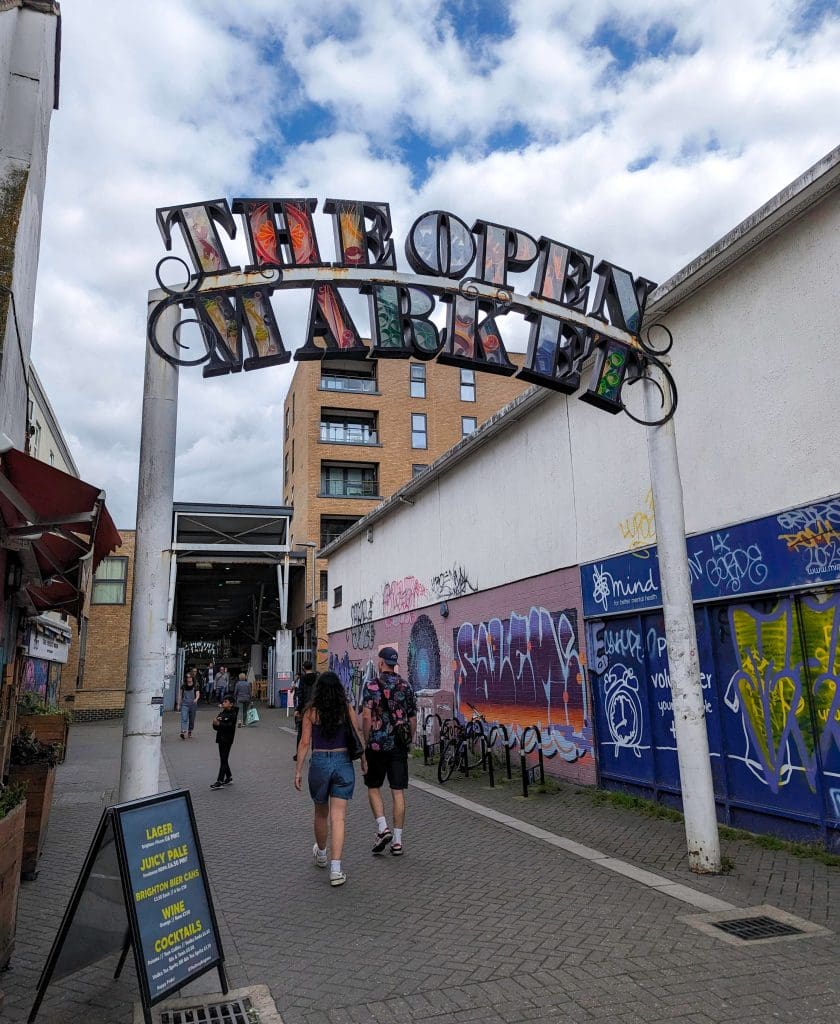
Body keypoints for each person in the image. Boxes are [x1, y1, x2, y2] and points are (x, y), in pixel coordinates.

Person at [294, 671, 366, 887]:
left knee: (320, 812)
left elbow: (305, 743)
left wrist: (298, 770)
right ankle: (336, 869)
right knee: (339, 817)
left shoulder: (311, 712)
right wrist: (363, 759)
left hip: (319, 764)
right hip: (343, 762)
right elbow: (357, 733)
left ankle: (322, 854)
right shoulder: (346, 709)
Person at [362, 646, 417, 858]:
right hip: (398, 746)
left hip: (376, 745)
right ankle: (397, 841)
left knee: (373, 786)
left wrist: (366, 742)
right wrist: (408, 740)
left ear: (382, 662)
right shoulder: (406, 686)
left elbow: (366, 717)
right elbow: (412, 718)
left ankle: (382, 826)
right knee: (398, 791)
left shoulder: (372, 686)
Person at [211, 694, 238, 789]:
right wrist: (215, 724)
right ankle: (229, 777)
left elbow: (230, 727)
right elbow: (216, 727)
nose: (223, 703)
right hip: (220, 739)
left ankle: (220, 781)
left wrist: (220, 724)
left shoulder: (233, 715)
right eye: (223, 701)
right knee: (223, 759)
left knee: (223, 760)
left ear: (231, 704)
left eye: (226, 702)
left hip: (227, 739)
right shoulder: (222, 713)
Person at [294, 660, 318, 760]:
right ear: (312, 667)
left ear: (303, 668)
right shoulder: (317, 677)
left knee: (301, 732)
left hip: (305, 708)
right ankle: (314, 755)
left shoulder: (302, 679)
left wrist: (298, 709)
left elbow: (300, 694)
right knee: (315, 732)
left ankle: (299, 754)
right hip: (316, 707)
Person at [179, 671, 200, 739]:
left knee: (191, 719)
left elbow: (198, 694)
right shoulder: (183, 686)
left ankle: (190, 731)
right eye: (187, 677)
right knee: (184, 718)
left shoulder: (195, 685)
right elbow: (180, 695)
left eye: (190, 677)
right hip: (184, 704)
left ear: (192, 678)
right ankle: (183, 731)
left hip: (193, 705)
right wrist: (178, 704)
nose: (189, 678)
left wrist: (196, 699)